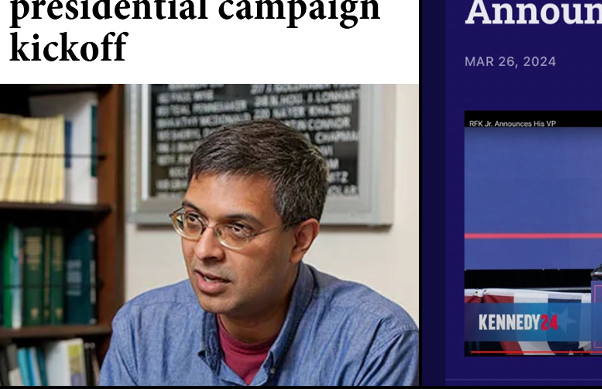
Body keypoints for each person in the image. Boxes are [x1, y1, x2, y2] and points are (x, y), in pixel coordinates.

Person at [99, 119, 418, 386]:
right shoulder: (143, 327)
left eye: (237, 228)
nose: (204, 250)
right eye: (194, 220)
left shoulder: (377, 340)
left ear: (299, 240)